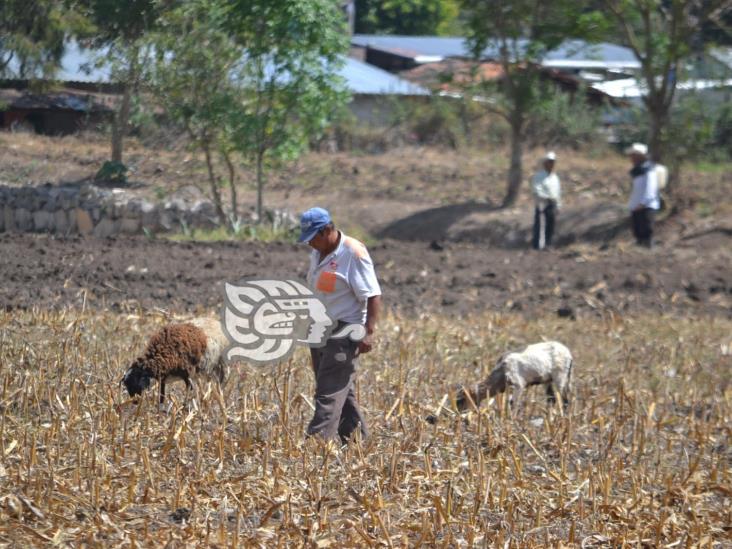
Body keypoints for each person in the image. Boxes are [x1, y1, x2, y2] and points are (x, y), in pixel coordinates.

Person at [298, 207, 382, 444]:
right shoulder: (318, 253)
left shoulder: (353, 253)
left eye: (313, 238)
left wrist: (368, 332)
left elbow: (373, 295)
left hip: (345, 330)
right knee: (341, 391)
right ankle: (358, 444)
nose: (310, 244)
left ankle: (314, 446)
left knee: (328, 392)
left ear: (327, 231)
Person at [626, 143, 660, 248]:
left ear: (640, 156)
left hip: (646, 207)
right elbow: (636, 191)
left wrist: (642, 204)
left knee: (646, 233)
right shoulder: (637, 171)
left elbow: (651, 190)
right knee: (638, 234)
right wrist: (632, 205)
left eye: (634, 155)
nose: (631, 158)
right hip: (636, 207)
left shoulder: (650, 171)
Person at [530, 151, 561, 250]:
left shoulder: (555, 177)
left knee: (551, 225)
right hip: (542, 203)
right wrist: (546, 197)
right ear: (545, 163)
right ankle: (537, 245)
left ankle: (548, 244)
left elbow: (558, 192)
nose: (551, 164)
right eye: (549, 161)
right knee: (540, 225)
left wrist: (558, 205)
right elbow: (537, 190)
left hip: (552, 204)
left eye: (553, 162)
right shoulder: (539, 176)